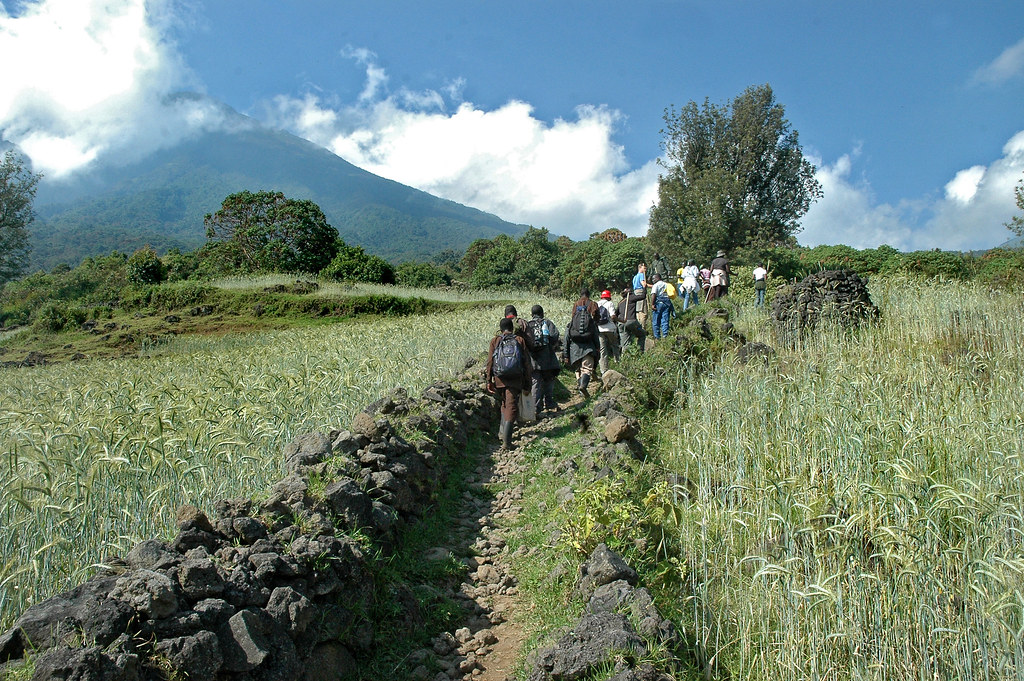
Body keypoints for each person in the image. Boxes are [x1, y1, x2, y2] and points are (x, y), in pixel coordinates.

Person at [486, 317, 532, 449]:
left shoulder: (495, 341)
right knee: (511, 406)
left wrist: (489, 380)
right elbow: (527, 364)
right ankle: (507, 442)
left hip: (499, 378)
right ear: (512, 328)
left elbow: (490, 362)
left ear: (501, 329)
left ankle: (502, 434)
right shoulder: (519, 340)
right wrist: (528, 384)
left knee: (505, 404)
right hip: (515, 379)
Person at [563, 288, 601, 399]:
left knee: (578, 369)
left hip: (575, 346)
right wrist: (597, 348)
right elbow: (596, 321)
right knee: (587, 368)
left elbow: (567, 336)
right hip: (588, 344)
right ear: (589, 295)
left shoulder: (575, 304)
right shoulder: (593, 303)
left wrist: (566, 354)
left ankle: (580, 387)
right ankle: (583, 386)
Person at [526, 304, 561, 417]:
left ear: (532, 314)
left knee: (535, 383)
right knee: (549, 380)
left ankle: (536, 408)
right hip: (548, 358)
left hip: (533, 360)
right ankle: (549, 403)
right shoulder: (547, 323)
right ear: (542, 313)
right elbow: (555, 336)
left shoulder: (528, 325)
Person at [616, 287, 648, 354]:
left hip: (621, 324)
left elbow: (616, 313)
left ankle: (625, 358)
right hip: (631, 322)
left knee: (625, 343)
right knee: (642, 334)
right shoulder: (631, 297)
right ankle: (640, 352)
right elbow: (643, 296)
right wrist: (644, 288)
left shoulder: (620, 302)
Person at [596, 289, 620, 374]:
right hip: (610, 328)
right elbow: (613, 316)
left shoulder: (597, 304)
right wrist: (620, 320)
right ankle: (617, 363)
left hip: (599, 329)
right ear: (609, 297)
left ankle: (603, 370)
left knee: (602, 349)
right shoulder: (610, 304)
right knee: (615, 345)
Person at [650, 274, 673, 340]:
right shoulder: (666, 284)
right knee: (665, 320)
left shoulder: (656, 285)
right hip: (667, 303)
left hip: (658, 303)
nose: (653, 280)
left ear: (658, 278)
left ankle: (657, 337)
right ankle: (665, 335)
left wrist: (652, 304)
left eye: (654, 278)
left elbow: (653, 294)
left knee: (656, 321)